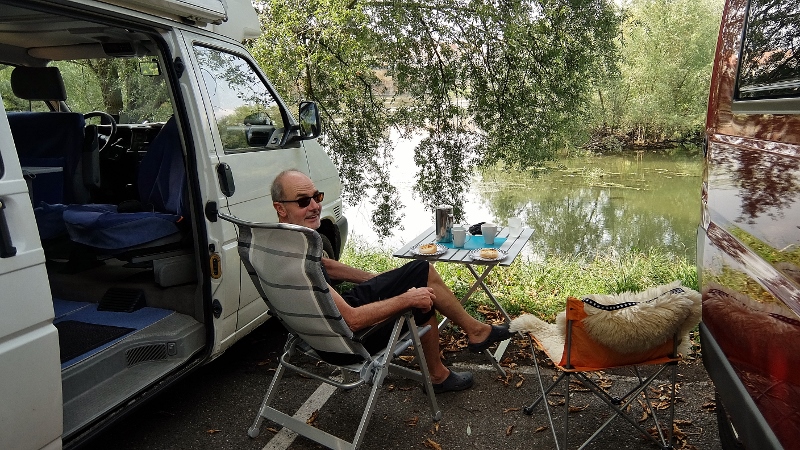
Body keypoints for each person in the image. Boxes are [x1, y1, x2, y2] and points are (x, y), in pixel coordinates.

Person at [271, 169, 511, 393]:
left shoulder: (279, 245)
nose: (315, 206)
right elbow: (352, 321)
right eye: (303, 201)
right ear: (280, 208)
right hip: (344, 342)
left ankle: (471, 335)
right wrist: (407, 298)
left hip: (319, 327)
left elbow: (326, 265)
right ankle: (446, 366)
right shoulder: (301, 265)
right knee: (421, 295)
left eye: (317, 197)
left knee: (420, 269)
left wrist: (377, 279)